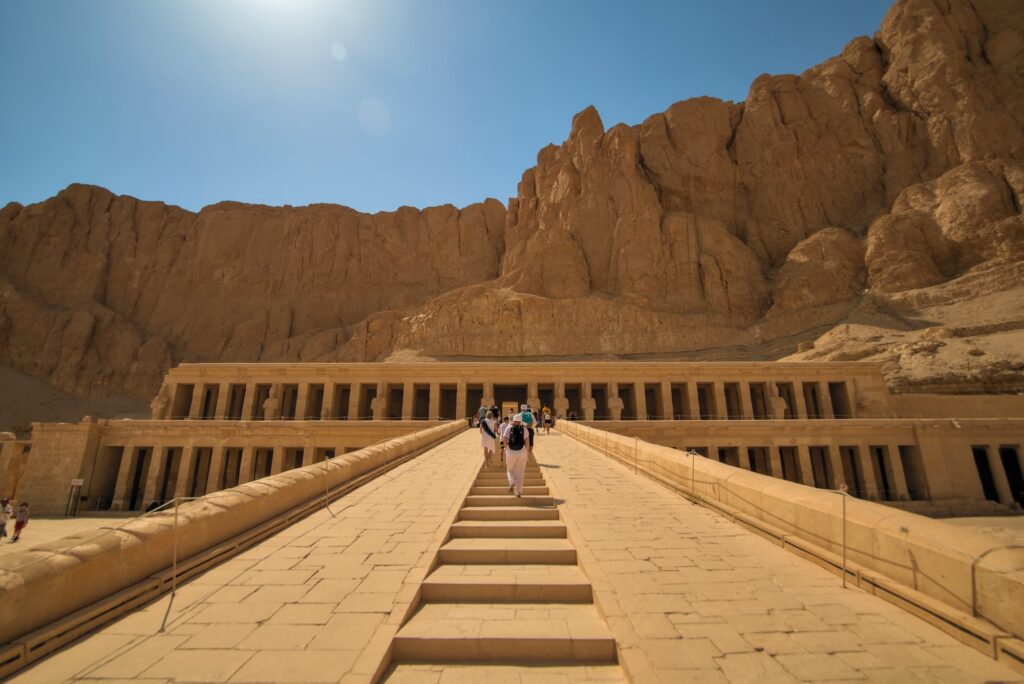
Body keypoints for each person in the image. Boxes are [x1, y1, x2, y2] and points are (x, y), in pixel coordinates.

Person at [505, 415, 529, 497]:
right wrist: (527, 453)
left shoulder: (508, 428)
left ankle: (511, 481)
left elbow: (504, 439)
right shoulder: (524, 429)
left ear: (513, 421)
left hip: (510, 452)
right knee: (520, 472)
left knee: (510, 469)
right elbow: (527, 443)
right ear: (521, 421)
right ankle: (518, 492)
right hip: (521, 452)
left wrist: (506, 449)